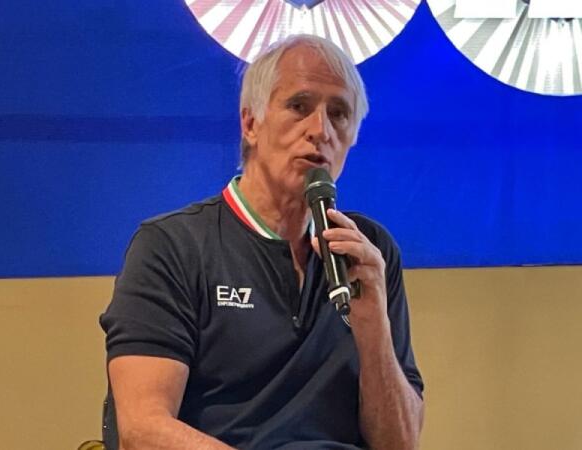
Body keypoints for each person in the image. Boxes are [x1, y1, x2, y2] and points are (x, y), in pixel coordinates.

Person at [100, 34, 424, 450]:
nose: (320, 130)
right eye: (299, 106)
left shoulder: (368, 251)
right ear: (251, 123)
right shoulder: (173, 246)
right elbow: (143, 430)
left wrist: (373, 324)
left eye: (339, 113)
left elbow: (399, 443)